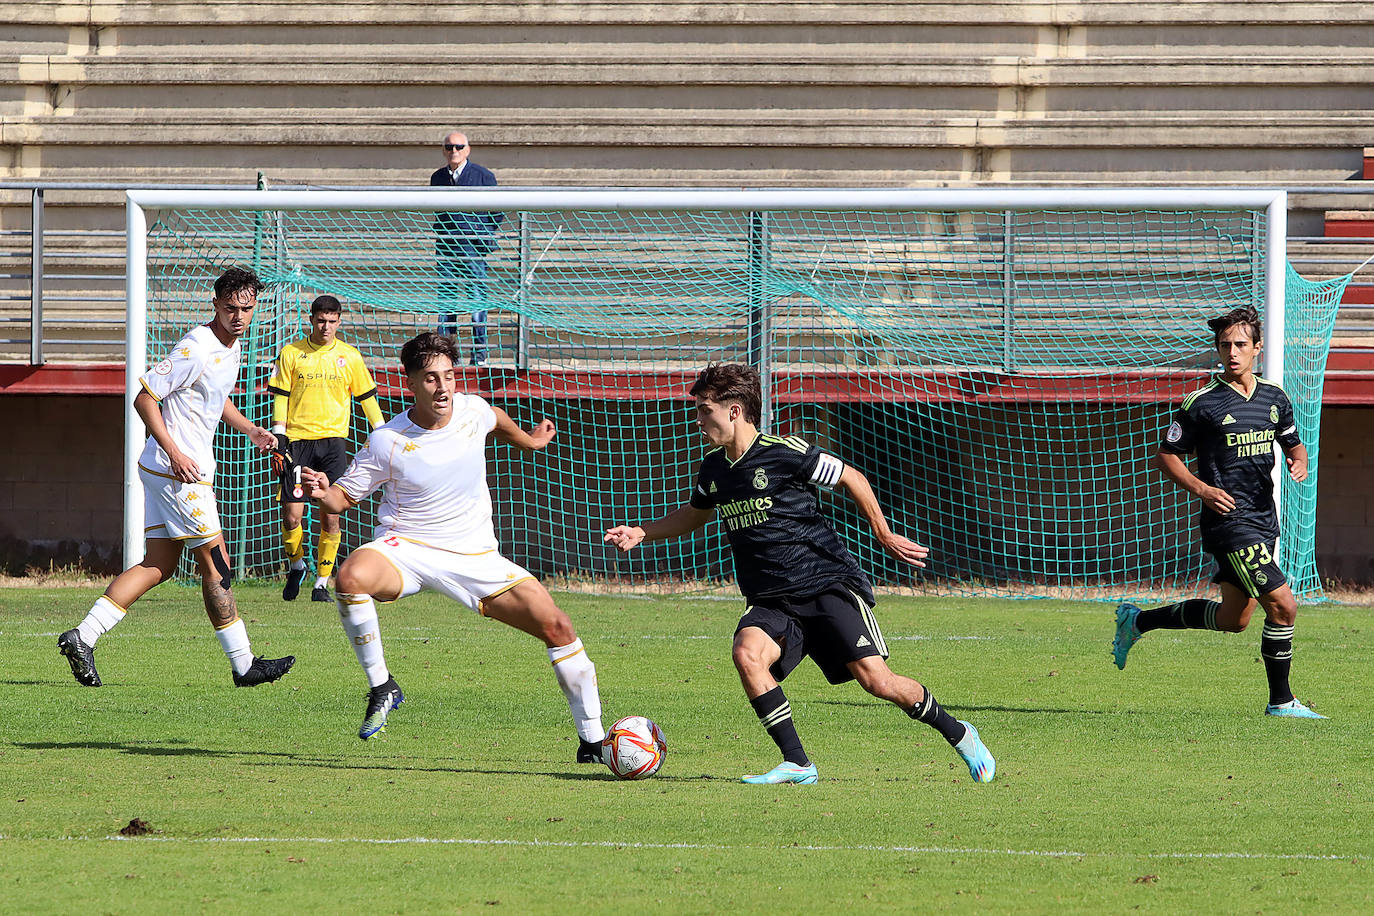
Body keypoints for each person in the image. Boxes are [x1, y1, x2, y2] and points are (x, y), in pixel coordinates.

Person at [604, 363, 996, 785]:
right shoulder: (714, 469)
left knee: (878, 682)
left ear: (734, 411)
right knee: (746, 654)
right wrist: (643, 531)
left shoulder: (785, 452)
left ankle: (960, 733)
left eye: (704, 410)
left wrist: (883, 534)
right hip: (772, 599)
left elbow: (852, 477)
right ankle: (798, 763)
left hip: (825, 584)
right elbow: (695, 514)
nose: (698, 420)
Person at [300, 331, 609, 758]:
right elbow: (343, 497)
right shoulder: (387, 440)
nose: (443, 387)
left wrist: (531, 440)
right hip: (406, 547)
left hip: (475, 555)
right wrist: (322, 491)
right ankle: (383, 686)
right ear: (409, 382)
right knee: (350, 578)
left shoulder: (472, 410)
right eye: (430, 378)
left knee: (558, 628)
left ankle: (592, 741)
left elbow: (497, 419)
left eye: (448, 375)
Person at [57, 267, 295, 689]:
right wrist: (175, 452)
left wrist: (252, 430)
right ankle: (244, 664)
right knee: (216, 564)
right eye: (230, 308)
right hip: (178, 473)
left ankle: (83, 636)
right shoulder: (197, 346)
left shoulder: (232, 345)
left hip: (168, 470)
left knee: (159, 564)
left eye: (246, 309)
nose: (238, 316)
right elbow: (145, 398)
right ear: (215, 305)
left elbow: (214, 400)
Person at [1112, 307, 1323, 718]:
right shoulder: (1202, 403)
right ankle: (1281, 702)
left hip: (1264, 519)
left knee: (1234, 619)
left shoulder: (1274, 397)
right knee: (1283, 606)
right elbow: (1166, 455)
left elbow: (1293, 442)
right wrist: (1203, 488)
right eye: (1225, 345)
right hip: (1229, 523)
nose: (1232, 352)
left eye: (1241, 344)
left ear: (1257, 348)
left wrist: (1300, 460)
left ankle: (1137, 623)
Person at [266, 295, 385, 603]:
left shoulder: (350, 356)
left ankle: (322, 583)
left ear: (339, 322)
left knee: (330, 514)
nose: (326, 327)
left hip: (333, 444)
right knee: (292, 515)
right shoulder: (292, 353)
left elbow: (367, 398)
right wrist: (279, 436)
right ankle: (297, 565)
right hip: (298, 442)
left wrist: (383, 434)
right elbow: (280, 396)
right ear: (311, 320)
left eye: (332, 321)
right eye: (321, 320)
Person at [430, 130, 503, 364]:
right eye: (450, 147)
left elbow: (497, 212)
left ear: (468, 150)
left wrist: (479, 234)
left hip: (474, 249)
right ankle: (446, 354)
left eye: (459, 147)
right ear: (443, 150)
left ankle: (479, 355)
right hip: (446, 247)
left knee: (476, 301)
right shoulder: (437, 177)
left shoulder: (483, 176)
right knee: (446, 301)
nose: (454, 151)